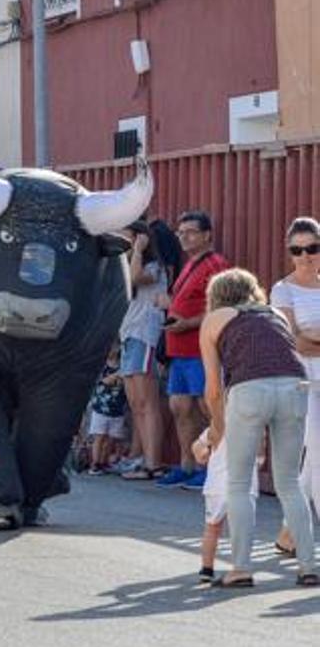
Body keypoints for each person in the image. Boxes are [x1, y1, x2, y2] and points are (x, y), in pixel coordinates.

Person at [199, 268, 316, 588]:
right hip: (295, 387)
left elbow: (212, 389)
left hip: (249, 391)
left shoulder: (215, 318)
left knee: (238, 483)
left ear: (216, 296)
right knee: (290, 483)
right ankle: (308, 566)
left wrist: (217, 427)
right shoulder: (274, 313)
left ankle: (240, 568)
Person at [158, 211, 229, 490]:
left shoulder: (217, 264)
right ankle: (187, 465)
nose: (184, 236)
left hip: (203, 348)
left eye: (190, 231)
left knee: (207, 407)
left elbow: (221, 308)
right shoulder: (190, 264)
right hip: (179, 349)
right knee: (180, 407)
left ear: (207, 235)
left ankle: (211, 467)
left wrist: (187, 322)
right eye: (180, 232)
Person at [269, 217, 320, 555]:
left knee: (314, 458)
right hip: (302, 380)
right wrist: (310, 336)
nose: (305, 256)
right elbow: (294, 342)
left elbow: (308, 337)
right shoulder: (281, 289)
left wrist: (312, 334)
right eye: (297, 250)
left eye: (312, 248)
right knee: (316, 452)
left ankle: (290, 530)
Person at [118, 221, 170, 481]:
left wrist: (137, 250)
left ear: (141, 239)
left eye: (126, 239)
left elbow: (135, 279)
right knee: (136, 404)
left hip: (144, 335)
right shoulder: (123, 266)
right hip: (128, 336)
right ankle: (142, 458)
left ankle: (154, 463)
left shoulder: (153, 267)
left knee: (148, 403)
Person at [191, 425, 256, 583]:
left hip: (217, 485)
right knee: (241, 530)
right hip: (246, 486)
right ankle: (240, 567)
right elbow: (261, 458)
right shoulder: (254, 427)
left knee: (212, 527)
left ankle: (207, 568)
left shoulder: (216, 427)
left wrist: (204, 455)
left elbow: (197, 448)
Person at [86, 345, 128, 475]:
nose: (112, 349)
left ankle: (104, 462)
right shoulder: (101, 365)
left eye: (115, 346)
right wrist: (118, 374)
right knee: (99, 437)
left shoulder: (124, 364)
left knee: (112, 438)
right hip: (101, 408)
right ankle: (95, 464)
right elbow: (104, 381)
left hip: (117, 409)